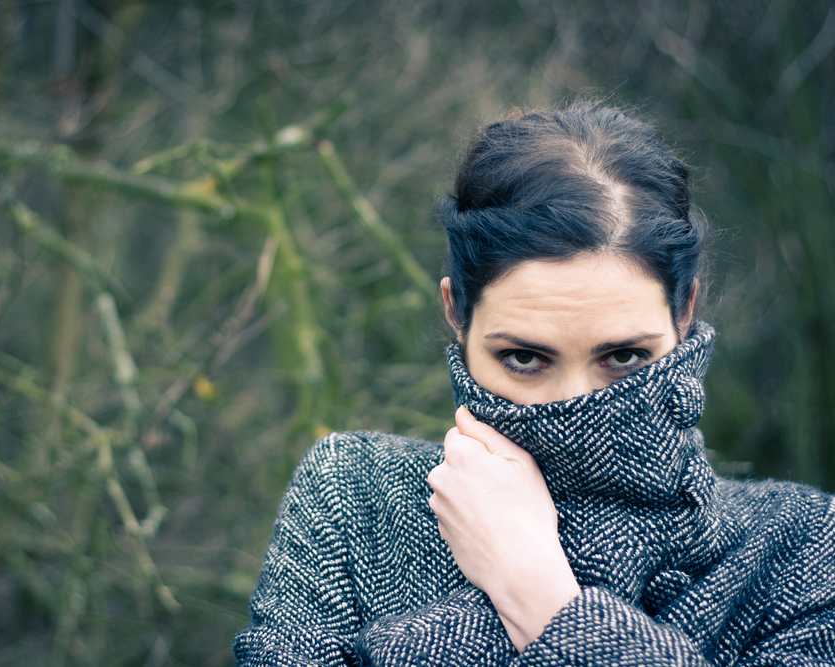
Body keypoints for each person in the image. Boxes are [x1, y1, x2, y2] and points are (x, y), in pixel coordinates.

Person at [232, 102, 835, 666]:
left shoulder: (800, 549)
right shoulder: (357, 499)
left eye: (623, 357)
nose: (576, 404)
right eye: (524, 359)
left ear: (685, 315)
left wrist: (537, 591)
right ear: (457, 314)